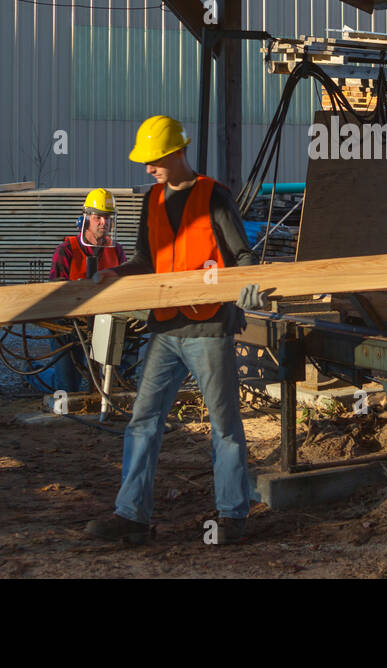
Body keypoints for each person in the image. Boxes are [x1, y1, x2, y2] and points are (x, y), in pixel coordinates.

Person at [84, 115, 264, 547]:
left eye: (155, 160)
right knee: (143, 421)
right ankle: (131, 517)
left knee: (223, 426)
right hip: (166, 329)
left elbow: (242, 256)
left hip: (209, 328)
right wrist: (119, 274)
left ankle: (231, 516)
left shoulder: (213, 196)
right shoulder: (152, 200)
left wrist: (248, 287)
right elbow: (148, 259)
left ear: (178, 153)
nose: (148, 168)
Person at [30, 189, 126, 393]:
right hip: (68, 323)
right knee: (68, 387)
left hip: (104, 319)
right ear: (86, 220)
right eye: (98, 217)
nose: (103, 223)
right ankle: (35, 372)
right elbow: (54, 290)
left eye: (107, 218)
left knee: (116, 378)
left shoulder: (116, 250)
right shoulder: (66, 249)